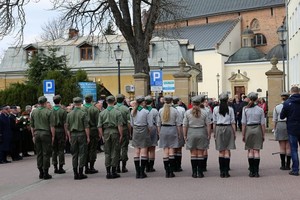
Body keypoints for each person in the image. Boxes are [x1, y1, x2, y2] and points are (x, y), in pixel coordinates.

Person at [183, 95, 211, 178]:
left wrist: (184, 135)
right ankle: (200, 172)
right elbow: (208, 124)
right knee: (200, 153)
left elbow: (185, 125)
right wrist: (208, 134)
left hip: (191, 132)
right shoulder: (205, 112)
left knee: (193, 153)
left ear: (192, 103)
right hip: (202, 132)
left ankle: (194, 172)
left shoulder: (187, 112)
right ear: (200, 103)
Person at [98, 95, 123, 179]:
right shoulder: (117, 112)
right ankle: (113, 171)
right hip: (114, 131)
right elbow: (120, 125)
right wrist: (121, 134)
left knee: (107, 152)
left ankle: (108, 172)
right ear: (114, 101)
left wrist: (101, 135)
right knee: (115, 151)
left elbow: (99, 126)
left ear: (106, 101)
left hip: (106, 132)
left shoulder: (102, 113)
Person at [241, 92, 265, 178]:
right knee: (257, 150)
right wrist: (263, 134)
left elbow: (243, 123)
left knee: (250, 150)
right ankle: (257, 171)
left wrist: (243, 134)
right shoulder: (260, 109)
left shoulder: (245, 109)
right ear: (256, 99)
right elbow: (263, 124)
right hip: (258, 129)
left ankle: (251, 171)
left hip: (249, 129)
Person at [66, 97, 90, 180]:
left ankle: (75, 173)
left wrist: (69, 136)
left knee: (74, 154)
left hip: (73, 135)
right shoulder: (83, 113)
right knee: (82, 153)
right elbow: (86, 127)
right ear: (80, 103)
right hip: (81, 134)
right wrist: (88, 136)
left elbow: (67, 127)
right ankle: (80, 172)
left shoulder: (69, 114)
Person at [30, 96, 55, 179]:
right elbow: (52, 126)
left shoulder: (34, 112)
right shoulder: (49, 112)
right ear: (45, 103)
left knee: (39, 153)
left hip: (37, 133)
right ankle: (46, 172)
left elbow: (32, 126)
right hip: (46, 133)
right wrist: (53, 136)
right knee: (46, 153)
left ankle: (40, 171)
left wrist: (33, 135)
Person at [213, 93, 236, 178]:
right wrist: (234, 132)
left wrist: (214, 133)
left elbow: (214, 122)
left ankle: (221, 171)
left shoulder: (215, 109)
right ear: (227, 100)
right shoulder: (230, 109)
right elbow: (233, 122)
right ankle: (226, 171)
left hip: (219, 127)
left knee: (221, 150)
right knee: (227, 150)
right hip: (228, 128)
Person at [157, 95, 181, 178]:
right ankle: (171, 171)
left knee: (165, 151)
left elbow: (158, 123)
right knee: (171, 151)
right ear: (171, 101)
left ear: (164, 101)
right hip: (172, 129)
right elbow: (178, 123)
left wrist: (159, 133)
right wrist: (178, 133)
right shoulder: (175, 110)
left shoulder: (160, 110)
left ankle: (167, 171)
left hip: (163, 129)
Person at [130, 96, 153, 179]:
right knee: (144, 151)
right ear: (143, 102)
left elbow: (131, 124)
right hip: (144, 129)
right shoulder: (146, 112)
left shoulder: (132, 111)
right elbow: (150, 124)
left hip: (136, 130)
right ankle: (142, 172)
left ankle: (137, 172)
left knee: (136, 151)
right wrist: (148, 132)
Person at [280, 86, 300, 176]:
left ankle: (295, 169)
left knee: (294, 149)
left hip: (292, 128)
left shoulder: (287, 102)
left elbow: (282, 116)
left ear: (291, 92)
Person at [272, 92, 291, 170]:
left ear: (281, 98)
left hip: (280, 124)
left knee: (282, 146)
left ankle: (283, 164)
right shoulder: (291, 105)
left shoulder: (277, 107)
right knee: (289, 146)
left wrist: (274, 129)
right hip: (289, 124)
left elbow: (274, 119)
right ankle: (288, 165)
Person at [82, 94, 100, 174]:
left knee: (85, 149)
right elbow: (98, 122)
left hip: (83, 131)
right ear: (91, 100)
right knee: (93, 149)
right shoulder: (95, 109)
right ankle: (91, 167)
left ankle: (86, 167)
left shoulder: (81, 109)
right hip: (93, 130)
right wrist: (100, 133)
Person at [51, 95, 68, 174]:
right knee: (61, 149)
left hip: (52, 130)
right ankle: (61, 166)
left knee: (54, 150)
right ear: (60, 101)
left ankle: (55, 166)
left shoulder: (50, 111)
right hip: (60, 130)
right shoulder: (63, 111)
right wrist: (66, 133)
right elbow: (65, 124)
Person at [114, 94, 131, 173]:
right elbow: (128, 122)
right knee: (124, 147)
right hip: (124, 128)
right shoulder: (126, 109)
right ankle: (123, 167)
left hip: (114, 129)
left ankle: (117, 166)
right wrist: (130, 132)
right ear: (123, 100)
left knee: (116, 148)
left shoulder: (112, 108)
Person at [145, 95, 159, 172]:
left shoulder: (142, 110)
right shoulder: (154, 110)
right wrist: (158, 132)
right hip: (153, 128)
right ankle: (151, 166)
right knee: (152, 149)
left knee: (145, 149)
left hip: (144, 128)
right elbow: (157, 122)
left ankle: (146, 166)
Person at [173, 96, 185, 172]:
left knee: (172, 148)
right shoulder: (182, 109)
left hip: (171, 127)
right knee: (179, 148)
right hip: (180, 127)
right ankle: (178, 165)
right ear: (177, 102)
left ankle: (173, 165)